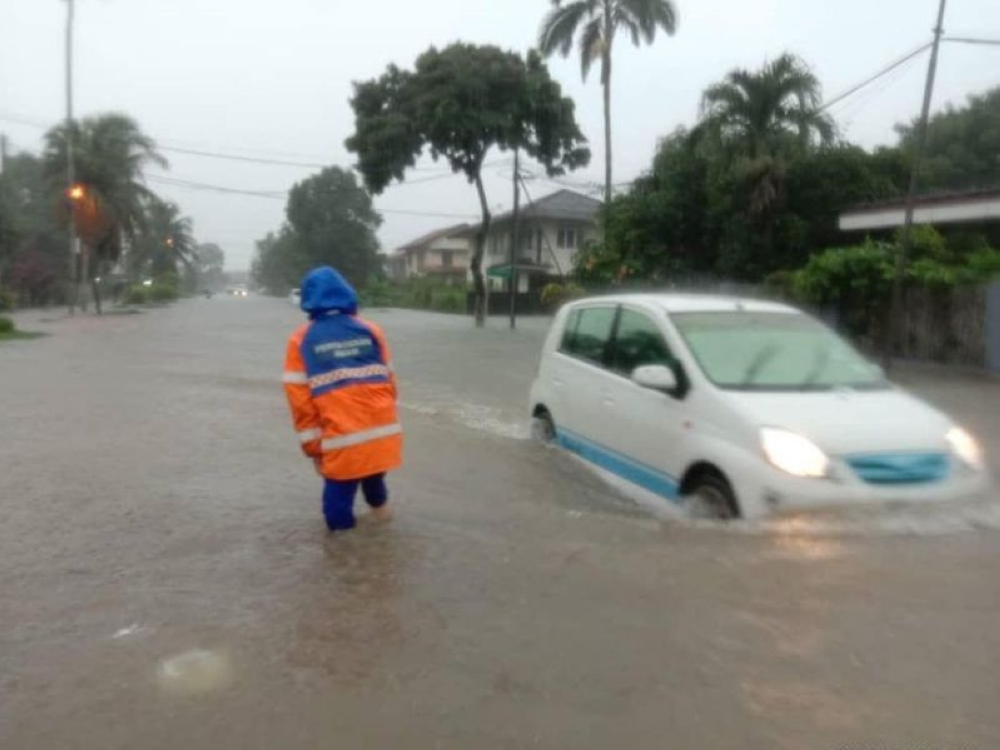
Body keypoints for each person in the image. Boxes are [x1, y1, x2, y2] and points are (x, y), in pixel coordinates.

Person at [283, 266, 402, 531]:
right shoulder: (371, 330)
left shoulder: (300, 340)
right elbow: (390, 383)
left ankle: (347, 563)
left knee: (336, 514)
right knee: (375, 491)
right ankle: (385, 542)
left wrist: (313, 449)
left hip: (342, 439)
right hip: (383, 433)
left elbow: (300, 401)